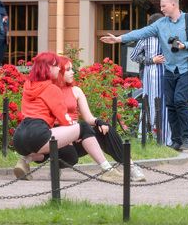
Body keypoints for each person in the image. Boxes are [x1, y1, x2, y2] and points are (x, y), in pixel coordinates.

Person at [100, 0, 188, 152]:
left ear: (173, 5)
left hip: (186, 68)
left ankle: (187, 138)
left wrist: (185, 45)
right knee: (170, 104)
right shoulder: (161, 24)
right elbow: (141, 32)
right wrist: (118, 39)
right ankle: (176, 140)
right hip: (170, 70)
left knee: (179, 100)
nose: (161, 9)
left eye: (164, 5)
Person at [15, 54, 146, 182]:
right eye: (58, 67)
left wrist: (96, 122)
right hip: (42, 133)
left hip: (20, 137)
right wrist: (74, 131)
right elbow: (63, 118)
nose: (60, 69)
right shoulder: (52, 89)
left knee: (76, 147)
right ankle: (108, 170)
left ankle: (25, 160)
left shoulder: (29, 85)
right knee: (83, 128)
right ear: (47, 68)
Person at [129, 13, 170, 146]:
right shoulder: (145, 38)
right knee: (152, 102)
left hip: (168, 74)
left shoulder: (170, 36)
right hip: (151, 75)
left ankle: (166, 138)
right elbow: (133, 56)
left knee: (166, 104)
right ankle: (150, 136)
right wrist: (151, 60)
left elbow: (178, 52)